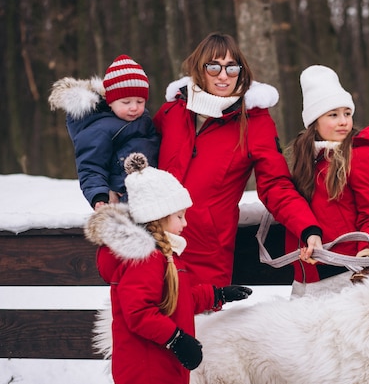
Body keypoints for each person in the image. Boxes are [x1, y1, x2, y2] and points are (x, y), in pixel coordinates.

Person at [153, 32, 323, 287]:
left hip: (206, 253)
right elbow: (134, 158)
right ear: (199, 68)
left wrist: (308, 227)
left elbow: (276, 185)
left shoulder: (254, 122)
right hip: (155, 244)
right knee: (148, 321)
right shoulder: (172, 112)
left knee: (203, 326)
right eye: (214, 67)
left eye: (231, 68)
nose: (223, 76)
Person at [85, 152, 252, 384]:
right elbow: (139, 312)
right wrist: (177, 339)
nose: (185, 223)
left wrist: (216, 294)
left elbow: (175, 300)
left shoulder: (165, 255)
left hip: (162, 366)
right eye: (180, 216)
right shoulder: (145, 258)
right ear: (159, 217)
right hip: (146, 370)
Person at [285, 65, 369, 296]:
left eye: (347, 113)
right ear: (314, 122)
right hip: (308, 277)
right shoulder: (310, 158)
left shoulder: (363, 154)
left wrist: (368, 256)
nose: (343, 121)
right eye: (333, 115)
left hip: (346, 276)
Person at [49, 55, 160, 209]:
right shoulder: (98, 128)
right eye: (126, 102)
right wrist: (99, 195)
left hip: (150, 195)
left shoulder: (144, 120)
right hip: (121, 197)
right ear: (110, 101)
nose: (134, 107)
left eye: (140, 101)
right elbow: (90, 166)